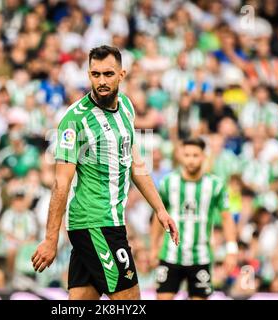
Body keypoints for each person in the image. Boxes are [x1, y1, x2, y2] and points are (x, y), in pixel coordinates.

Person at [32, 45, 179, 300]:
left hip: (106, 222)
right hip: (96, 223)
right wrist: (50, 239)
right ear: (89, 74)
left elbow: (136, 164)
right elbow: (60, 183)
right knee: (130, 301)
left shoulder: (126, 109)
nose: (101, 81)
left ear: (122, 75)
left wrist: (160, 209)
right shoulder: (74, 120)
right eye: (95, 74)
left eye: (108, 74)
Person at [150, 137, 237, 300]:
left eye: (195, 155)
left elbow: (227, 218)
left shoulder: (215, 185)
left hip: (201, 257)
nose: (191, 160)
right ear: (180, 156)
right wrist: (154, 247)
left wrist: (231, 250)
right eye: (187, 155)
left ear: (204, 157)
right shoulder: (168, 182)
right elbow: (158, 216)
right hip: (170, 255)